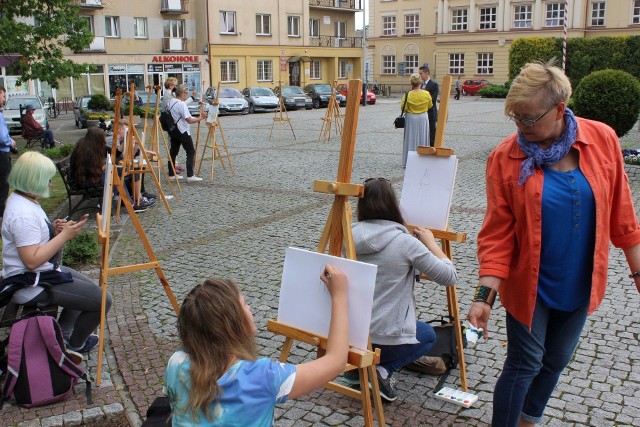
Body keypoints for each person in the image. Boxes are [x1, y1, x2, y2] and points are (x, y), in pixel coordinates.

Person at [467, 60, 640, 427]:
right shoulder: (507, 156)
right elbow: (497, 232)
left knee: (556, 360)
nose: (521, 127)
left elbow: (623, 216)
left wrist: (638, 272)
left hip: (580, 281)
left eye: (529, 119)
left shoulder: (602, 140)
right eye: (516, 118)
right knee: (524, 363)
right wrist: (484, 298)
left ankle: (528, 420)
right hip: (529, 284)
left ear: (559, 109)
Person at [164, 266, 349, 425]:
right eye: (244, 304)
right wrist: (339, 296)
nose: (250, 308)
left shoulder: (176, 363)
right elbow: (336, 361)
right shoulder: (262, 377)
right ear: (233, 324)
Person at [346, 177, 458, 402]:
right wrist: (432, 244)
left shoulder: (346, 235)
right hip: (382, 337)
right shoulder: (405, 243)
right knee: (427, 334)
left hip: (349, 335)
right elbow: (449, 277)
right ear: (393, 205)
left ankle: (355, 368)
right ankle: (381, 371)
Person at [0, 151, 112, 354]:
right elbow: (31, 261)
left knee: (87, 288)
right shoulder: (23, 215)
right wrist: (63, 236)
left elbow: (31, 241)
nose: (51, 184)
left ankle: (63, 335)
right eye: (48, 180)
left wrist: (52, 229)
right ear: (33, 180)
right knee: (103, 300)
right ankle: (74, 347)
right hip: (31, 282)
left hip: (41, 273)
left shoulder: (25, 200)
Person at [70, 127, 154, 213]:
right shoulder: (85, 150)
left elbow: (115, 153)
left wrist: (126, 140)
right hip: (84, 180)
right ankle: (126, 204)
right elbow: (92, 170)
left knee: (132, 172)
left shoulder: (95, 145)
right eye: (103, 138)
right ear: (97, 139)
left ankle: (137, 200)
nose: (105, 140)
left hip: (94, 175)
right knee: (115, 176)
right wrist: (109, 167)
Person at [166, 84, 206, 182]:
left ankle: (171, 173)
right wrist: (200, 118)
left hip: (173, 130)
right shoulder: (181, 104)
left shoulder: (170, 102)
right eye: (186, 93)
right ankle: (190, 175)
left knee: (173, 152)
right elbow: (188, 120)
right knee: (190, 151)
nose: (186, 95)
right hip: (182, 130)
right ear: (183, 93)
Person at [400, 73, 432, 168]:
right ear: (420, 82)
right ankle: (423, 158)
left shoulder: (408, 95)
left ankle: (409, 160)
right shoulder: (426, 94)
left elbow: (403, 108)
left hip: (411, 118)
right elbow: (430, 105)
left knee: (410, 138)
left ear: (411, 83)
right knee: (423, 137)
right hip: (423, 117)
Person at [0, 85, 17, 220]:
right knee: (2, 188)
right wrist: (10, 142)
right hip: (1, 156)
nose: (4, 98)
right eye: (2, 95)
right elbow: (2, 137)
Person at [419, 65, 439, 147]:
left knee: (431, 134)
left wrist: (421, 103)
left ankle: (432, 149)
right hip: (421, 113)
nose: (420, 75)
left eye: (421, 73)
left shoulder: (434, 85)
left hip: (430, 113)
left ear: (426, 73)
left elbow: (432, 99)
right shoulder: (419, 84)